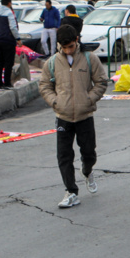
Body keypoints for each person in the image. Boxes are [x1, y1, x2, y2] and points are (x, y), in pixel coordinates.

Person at [38, 24, 107, 208]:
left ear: (77, 40)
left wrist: (89, 99)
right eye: (64, 47)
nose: (68, 50)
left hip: (85, 116)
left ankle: (87, 170)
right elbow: (44, 85)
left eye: (70, 46)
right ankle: (71, 191)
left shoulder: (89, 58)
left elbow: (101, 81)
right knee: (64, 156)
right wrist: (55, 101)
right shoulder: (52, 63)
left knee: (89, 152)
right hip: (63, 116)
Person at [0, 0, 18, 89]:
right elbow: (13, 27)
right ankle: (7, 82)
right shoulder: (9, 12)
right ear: (9, 3)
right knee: (8, 62)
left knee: (0, 62)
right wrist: (17, 38)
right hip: (8, 40)